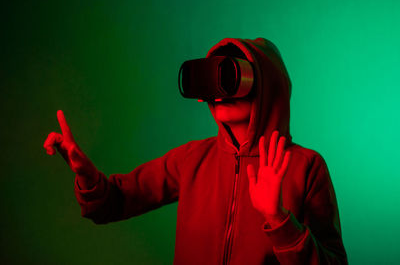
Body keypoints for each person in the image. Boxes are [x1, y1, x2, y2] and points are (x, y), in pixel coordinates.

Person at [43, 37, 348, 264]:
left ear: (268, 86)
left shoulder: (306, 166)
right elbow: (112, 203)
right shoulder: (191, 159)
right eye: (209, 79)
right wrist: (87, 176)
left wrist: (278, 218)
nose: (218, 92)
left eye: (229, 77)